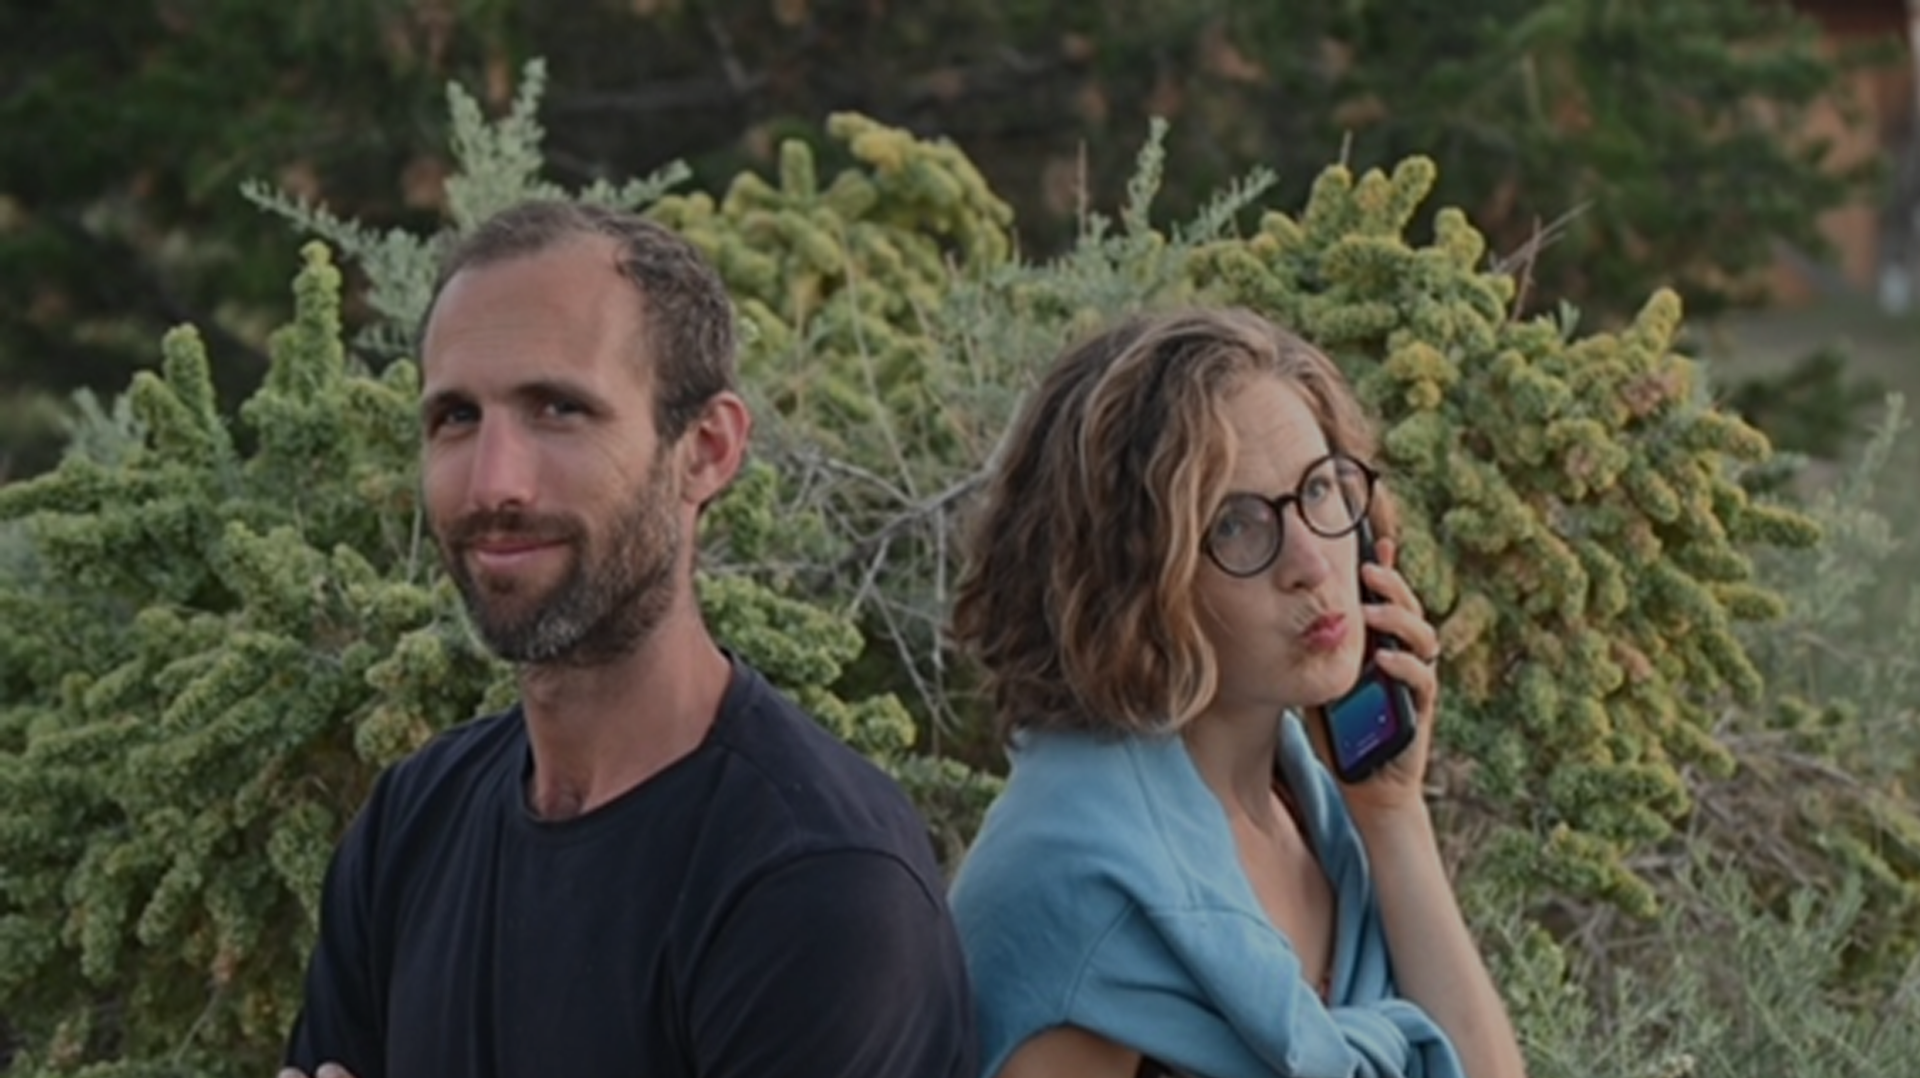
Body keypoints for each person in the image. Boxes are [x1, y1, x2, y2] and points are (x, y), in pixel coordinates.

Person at [278, 200, 977, 1078]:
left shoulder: (817, 882)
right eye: (456, 417)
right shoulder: (413, 825)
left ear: (707, 450)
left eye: (559, 408)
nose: (495, 482)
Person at [946, 308, 1526, 1078]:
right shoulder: (1079, 890)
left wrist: (1393, 816)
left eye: (1320, 490)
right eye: (1236, 525)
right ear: (1133, 582)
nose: (1312, 563)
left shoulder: (1314, 812)